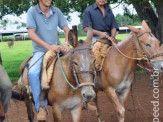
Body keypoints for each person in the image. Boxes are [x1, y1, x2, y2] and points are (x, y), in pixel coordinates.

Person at [26, 0, 70, 120]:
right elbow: (31, 34)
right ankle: (41, 107)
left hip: (58, 47)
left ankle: (82, 97)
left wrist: (66, 42)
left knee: (79, 60)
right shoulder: (32, 11)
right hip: (41, 51)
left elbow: (66, 29)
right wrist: (48, 46)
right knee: (33, 72)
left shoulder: (57, 11)